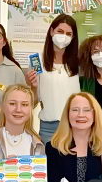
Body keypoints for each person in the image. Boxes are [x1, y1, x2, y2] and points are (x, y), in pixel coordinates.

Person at [25, 14, 81, 143]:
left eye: (68, 34)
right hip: (48, 127)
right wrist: (32, 86)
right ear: (51, 31)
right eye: (60, 31)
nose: (63, 36)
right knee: (49, 157)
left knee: (77, 157)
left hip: (76, 125)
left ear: (73, 37)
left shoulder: (79, 63)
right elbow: (33, 102)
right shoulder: (37, 60)